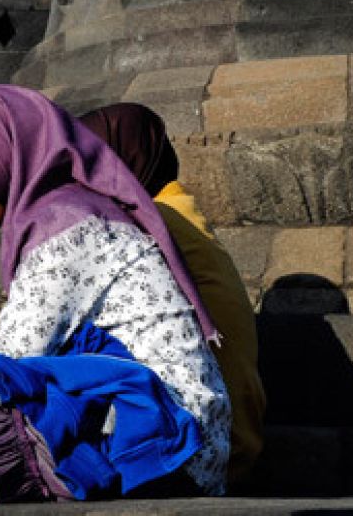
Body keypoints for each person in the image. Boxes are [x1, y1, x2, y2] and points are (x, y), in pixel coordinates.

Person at [0, 85, 231, 505]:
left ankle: (0, 482)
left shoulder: (69, 224)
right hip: (168, 442)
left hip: (167, 448)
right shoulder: (60, 216)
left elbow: (12, 357)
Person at [78, 103, 265, 485]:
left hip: (199, 448)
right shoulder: (177, 211)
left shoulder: (150, 224)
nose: (81, 181)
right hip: (235, 438)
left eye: (91, 164)